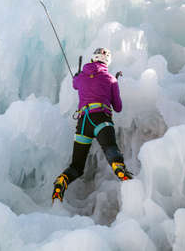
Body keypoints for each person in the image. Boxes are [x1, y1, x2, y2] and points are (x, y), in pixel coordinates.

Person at [52, 47, 132, 203]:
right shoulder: (110, 79)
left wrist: (77, 76)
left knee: (77, 166)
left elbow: (75, 84)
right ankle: (118, 167)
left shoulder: (81, 76)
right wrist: (114, 85)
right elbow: (118, 107)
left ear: (93, 58)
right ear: (107, 62)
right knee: (110, 149)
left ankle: (63, 180)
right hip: (101, 119)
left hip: (83, 123)